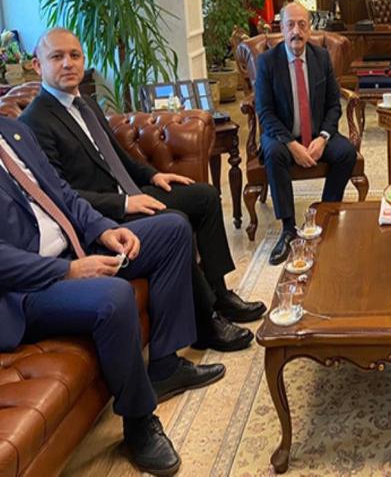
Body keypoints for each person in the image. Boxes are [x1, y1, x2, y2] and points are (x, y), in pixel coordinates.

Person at [0, 115, 225, 475]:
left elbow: (62, 193)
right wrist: (68, 270)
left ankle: (165, 366)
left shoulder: (12, 130)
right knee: (114, 297)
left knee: (172, 229)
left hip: (74, 247)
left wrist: (104, 230)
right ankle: (139, 422)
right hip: (24, 289)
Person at [20, 28, 263, 353]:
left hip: (130, 193)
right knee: (175, 221)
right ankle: (207, 323)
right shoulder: (34, 122)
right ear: (37, 65)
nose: (68, 63)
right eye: (57, 57)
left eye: (74, 55)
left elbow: (117, 156)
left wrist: (154, 175)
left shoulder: (86, 103)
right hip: (102, 217)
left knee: (203, 196)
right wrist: (123, 203)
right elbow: (58, 196)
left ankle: (220, 294)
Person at [255, 2, 357, 265]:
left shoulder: (321, 57)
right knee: (273, 153)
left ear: (310, 29)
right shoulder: (267, 62)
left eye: (302, 25)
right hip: (282, 135)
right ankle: (288, 228)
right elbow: (265, 112)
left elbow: (334, 104)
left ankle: (324, 215)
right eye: (290, 25)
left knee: (346, 152)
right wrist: (292, 144)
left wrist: (323, 137)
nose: (296, 32)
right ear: (282, 29)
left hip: (317, 133)